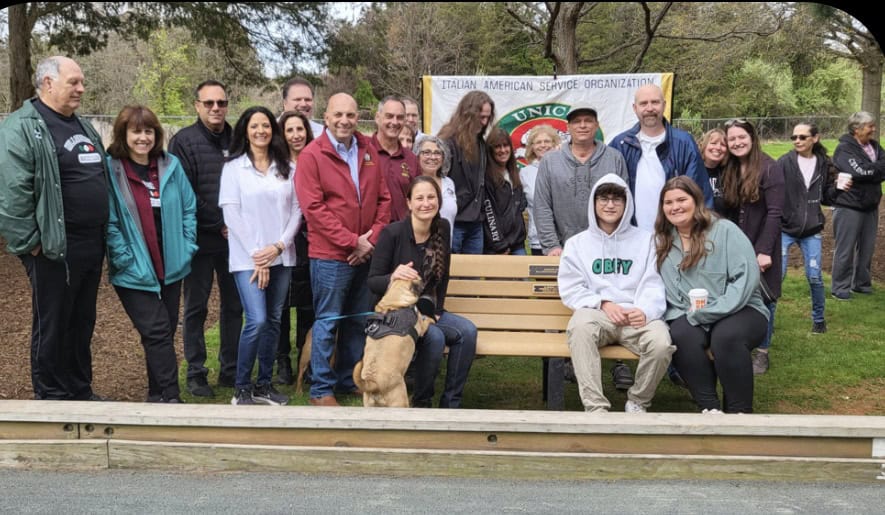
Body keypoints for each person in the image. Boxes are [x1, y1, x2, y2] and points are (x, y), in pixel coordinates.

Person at [0, 56, 108, 401]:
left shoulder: (82, 126)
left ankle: (80, 390)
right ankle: (51, 396)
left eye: (81, 82)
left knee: (81, 323)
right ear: (48, 83)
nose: (81, 88)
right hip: (51, 247)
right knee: (53, 324)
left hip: (90, 244)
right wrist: (30, 243)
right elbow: (12, 190)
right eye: (74, 82)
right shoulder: (21, 126)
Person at [295, 93, 391, 407]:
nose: (344, 121)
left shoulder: (368, 150)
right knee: (329, 320)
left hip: (365, 253)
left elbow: (384, 200)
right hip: (330, 256)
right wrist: (353, 242)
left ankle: (349, 378)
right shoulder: (312, 155)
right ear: (326, 115)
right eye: (338, 114)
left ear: (358, 116)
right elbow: (314, 209)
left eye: (350, 115)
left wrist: (370, 241)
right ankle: (321, 389)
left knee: (356, 320)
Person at [558, 174, 673, 413]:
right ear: (594, 203)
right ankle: (595, 406)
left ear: (627, 203)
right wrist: (602, 303)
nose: (610, 205)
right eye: (603, 198)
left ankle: (638, 401)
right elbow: (570, 287)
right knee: (579, 327)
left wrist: (644, 310)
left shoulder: (647, 240)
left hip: (635, 314)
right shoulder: (577, 244)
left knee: (661, 343)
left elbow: (653, 282)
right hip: (598, 313)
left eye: (617, 199)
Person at [105, 105, 197, 403]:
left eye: (148, 131)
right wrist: (123, 258)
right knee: (156, 330)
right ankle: (172, 398)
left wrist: (187, 246)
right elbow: (109, 220)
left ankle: (156, 395)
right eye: (136, 131)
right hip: (133, 268)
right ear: (124, 134)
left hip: (170, 265)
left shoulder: (170, 166)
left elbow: (188, 208)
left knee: (163, 333)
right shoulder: (112, 169)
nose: (143, 138)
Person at [655, 176, 769, 414]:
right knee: (680, 333)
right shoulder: (662, 241)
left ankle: (739, 413)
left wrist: (706, 314)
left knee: (726, 337)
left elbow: (746, 280)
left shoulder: (724, 231)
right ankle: (710, 409)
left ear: (696, 200)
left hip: (741, 308)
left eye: (681, 200)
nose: (675, 207)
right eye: (668, 202)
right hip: (691, 313)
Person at [368, 176, 477, 408]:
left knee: (468, 331)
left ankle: (451, 404)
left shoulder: (442, 227)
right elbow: (372, 282)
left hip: (428, 310)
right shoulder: (392, 233)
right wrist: (392, 276)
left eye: (431, 197)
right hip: (399, 314)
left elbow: (443, 275)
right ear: (408, 203)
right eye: (419, 198)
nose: (426, 203)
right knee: (435, 337)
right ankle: (422, 402)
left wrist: (437, 311)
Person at [219, 106, 302, 406]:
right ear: (245, 130)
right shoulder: (233, 168)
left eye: (266, 125)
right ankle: (242, 388)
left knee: (274, 321)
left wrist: (278, 246)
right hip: (247, 259)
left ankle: (263, 386)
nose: (261, 131)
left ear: (273, 130)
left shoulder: (287, 169)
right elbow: (231, 213)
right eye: (254, 126)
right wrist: (259, 254)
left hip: (281, 255)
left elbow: (297, 210)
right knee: (256, 319)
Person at [169, 80, 242, 397]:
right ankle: (196, 373)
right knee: (196, 308)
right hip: (199, 240)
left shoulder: (239, 139)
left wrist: (235, 225)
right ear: (197, 105)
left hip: (235, 241)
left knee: (234, 307)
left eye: (221, 102)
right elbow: (183, 193)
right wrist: (220, 223)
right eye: (209, 103)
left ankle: (231, 370)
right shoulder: (183, 141)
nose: (216, 108)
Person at [720, 119, 784, 375]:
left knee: (765, 298)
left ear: (752, 137)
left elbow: (775, 213)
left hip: (762, 244)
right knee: (739, 295)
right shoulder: (732, 169)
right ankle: (740, 343)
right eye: (732, 139)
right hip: (737, 245)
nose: (737, 142)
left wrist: (765, 250)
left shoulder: (770, 168)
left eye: (741, 137)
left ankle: (763, 352)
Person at [609, 84, 712, 231]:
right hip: (632, 239)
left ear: (664, 105)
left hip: (676, 236)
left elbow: (701, 193)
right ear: (635, 108)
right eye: (643, 103)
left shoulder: (684, 143)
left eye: (655, 102)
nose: (649, 108)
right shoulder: (620, 145)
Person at [533, 104, 628, 256]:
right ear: (568, 127)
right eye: (577, 121)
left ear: (596, 125)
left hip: (606, 249)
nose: (582, 125)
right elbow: (542, 206)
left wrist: (616, 242)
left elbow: (624, 203)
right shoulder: (550, 161)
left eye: (588, 120)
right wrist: (552, 246)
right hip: (563, 250)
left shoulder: (614, 158)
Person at [778, 122, 838, 334]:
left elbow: (828, 197)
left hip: (812, 230)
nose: (797, 141)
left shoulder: (823, 163)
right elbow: (773, 193)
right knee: (778, 276)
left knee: (814, 276)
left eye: (803, 137)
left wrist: (839, 188)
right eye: (794, 137)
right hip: (785, 229)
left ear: (815, 138)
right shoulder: (784, 162)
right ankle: (766, 323)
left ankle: (819, 320)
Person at [275, 111, 315, 385]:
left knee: (307, 307)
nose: (296, 135)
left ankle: (306, 359)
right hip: (282, 240)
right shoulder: (275, 166)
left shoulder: (316, 160)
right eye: (289, 130)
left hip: (311, 241)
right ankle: (282, 362)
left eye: (300, 129)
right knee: (280, 306)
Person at [830, 111, 885, 300]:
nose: (874, 129)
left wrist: (873, 170)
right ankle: (840, 288)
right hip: (849, 205)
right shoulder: (844, 149)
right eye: (870, 126)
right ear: (856, 129)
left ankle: (861, 284)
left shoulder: (875, 147)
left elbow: (876, 169)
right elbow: (859, 171)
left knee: (867, 247)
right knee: (845, 249)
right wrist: (876, 171)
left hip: (870, 204)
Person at [438, 91, 495, 254]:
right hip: (453, 223)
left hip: (476, 224)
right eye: (480, 117)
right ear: (468, 114)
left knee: (474, 277)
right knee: (450, 276)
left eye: (487, 118)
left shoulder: (481, 143)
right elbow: (437, 182)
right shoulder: (447, 142)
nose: (484, 122)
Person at [370, 96, 418, 222]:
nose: (395, 122)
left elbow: (416, 197)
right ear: (377, 117)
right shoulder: (362, 152)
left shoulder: (411, 159)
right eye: (389, 116)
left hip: (403, 234)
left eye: (400, 117)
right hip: (370, 236)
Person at [482, 127, 527, 255]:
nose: (502, 150)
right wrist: (500, 245)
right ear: (490, 150)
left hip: (517, 244)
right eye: (497, 146)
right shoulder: (486, 177)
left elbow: (518, 210)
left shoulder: (515, 174)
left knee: (523, 276)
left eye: (505, 145)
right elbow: (489, 214)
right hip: (496, 248)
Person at [520, 125, 561, 255]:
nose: (543, 145)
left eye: (547, 141)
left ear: (555, 144)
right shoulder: (524, 173)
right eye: (538, 142)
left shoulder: (565, 168)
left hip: (565, 238)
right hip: (538, 239)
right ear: (532, 147)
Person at [415, 135, 457, 243]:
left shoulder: (449, 183)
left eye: (437, 153)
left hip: (445, 248)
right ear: (417, 155)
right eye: (427, 152)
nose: (432, 157)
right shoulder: (413, 183)